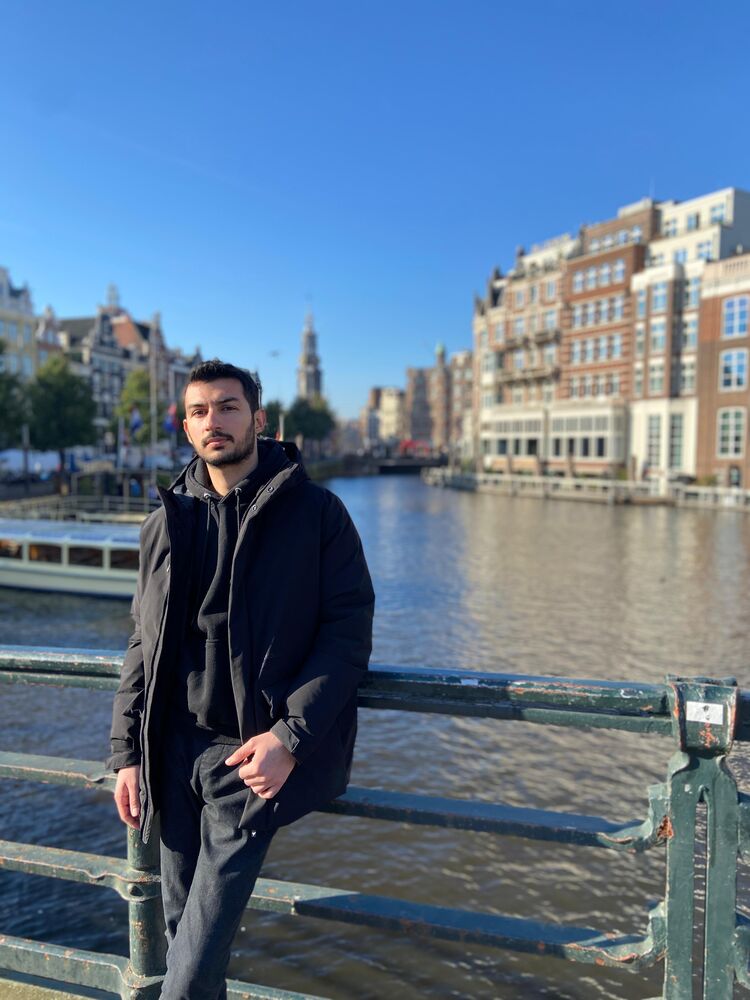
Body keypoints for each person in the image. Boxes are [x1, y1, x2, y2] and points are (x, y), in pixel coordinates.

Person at [108, 358, 374, 1000]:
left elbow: (347, 633)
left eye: (228, 407)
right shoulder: (165, 521)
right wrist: (126, 753)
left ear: (258, 419)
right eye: (198, 411)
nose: (213, 422)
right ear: (186, 427)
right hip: (170, 751)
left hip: (250, 758)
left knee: (189, 968)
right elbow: (143, 641)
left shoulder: (318, 513)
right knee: (182, 938)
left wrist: (290, 737)